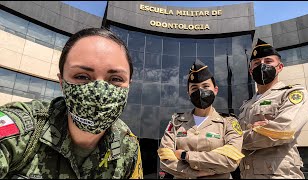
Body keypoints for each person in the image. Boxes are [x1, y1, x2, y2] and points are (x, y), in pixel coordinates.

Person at [0, 28, 143, 179]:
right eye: (82, 76)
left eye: (116, 79)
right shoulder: (23, 128)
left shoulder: (128, 147)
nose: (99, 93)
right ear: (62, 82)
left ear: (128, 85)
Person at [157, 59, 245, 179]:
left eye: (205, 86)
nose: (200, 91)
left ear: (215, 90)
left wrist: (186, 155)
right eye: (194, 88)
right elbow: (165, 158)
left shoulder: (228, 122)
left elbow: (231, 160)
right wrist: (193, 172)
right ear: (188, 92)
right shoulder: (177, 122)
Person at [238, 39, 308, 179]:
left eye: (268, 61)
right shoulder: (246, 105)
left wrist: (240, 138)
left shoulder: (292, 93)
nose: (262, 65)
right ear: (250, 70)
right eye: (257, 63)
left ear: (279, 67)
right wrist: (255, 130)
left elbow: (284, 130)